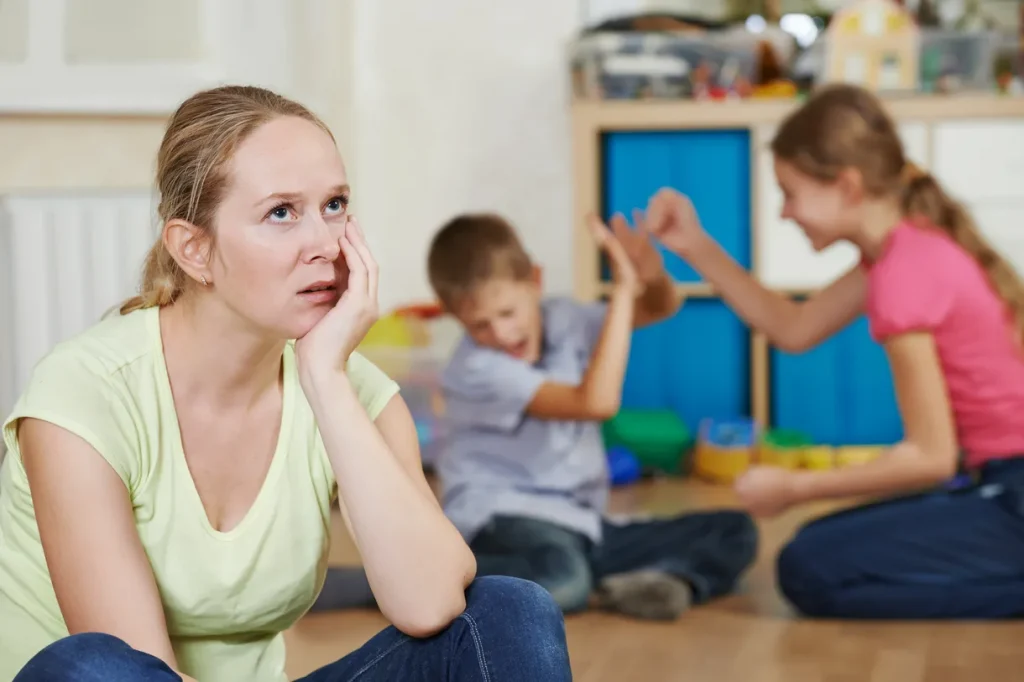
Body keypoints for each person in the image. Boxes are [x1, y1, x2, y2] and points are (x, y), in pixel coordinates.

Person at [0, 85, 573, 682]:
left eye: (335, 206)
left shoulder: (352, 388)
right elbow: (133, 670)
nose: (326, 245)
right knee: (92, 667)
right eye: (281, 212)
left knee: (509, 611)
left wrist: (325, 378)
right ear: (193, 250)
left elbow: (430, 603)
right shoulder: (84, 396)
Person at [645, 83, 1024, 620]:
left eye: (791, 193)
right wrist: (696, 246)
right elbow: (794, 328)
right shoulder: (903, 247)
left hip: (1013, 494)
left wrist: (795, 486)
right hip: (996, 482)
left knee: (809, 568)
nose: (784, 213)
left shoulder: (903, 271)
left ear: (846, 186)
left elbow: (930, 458)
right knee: (816, 544)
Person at [424, 211, 758, 621]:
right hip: (501, 519)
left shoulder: (564, 318)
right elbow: (596, 403)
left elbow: (660, 307)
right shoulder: (474, 368)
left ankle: (662, 581)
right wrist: (621, 290)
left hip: (581, 525)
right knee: (563, 581)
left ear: (535, 281)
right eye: (479, 326)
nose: (500, 334)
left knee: (734, 530)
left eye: (507, 313)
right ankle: (433, 575)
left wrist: (649, 278)